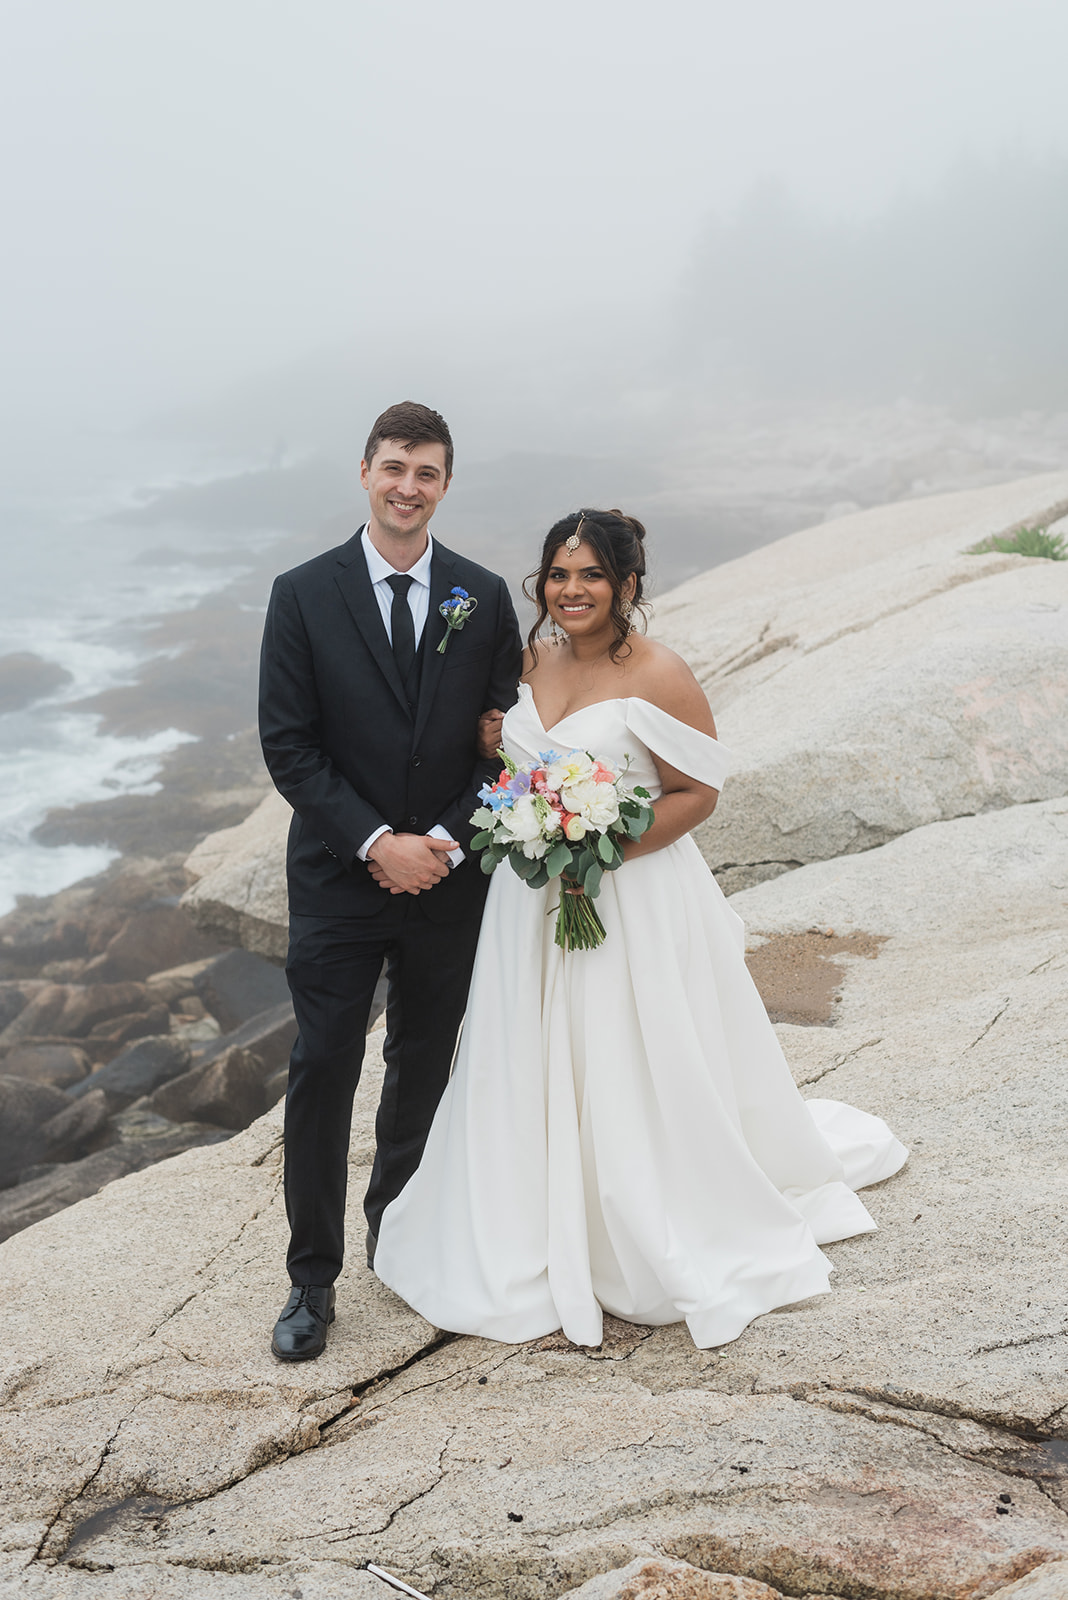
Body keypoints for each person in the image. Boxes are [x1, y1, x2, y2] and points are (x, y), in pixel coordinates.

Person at [374, 508, 907, 1349]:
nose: (571, 591)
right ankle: (530, 1216)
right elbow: (505, 759)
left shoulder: (660, 672)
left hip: (627, 895)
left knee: (627, 1047)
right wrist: (515, 780)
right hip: (531, 902)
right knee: (528, 1050)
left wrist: (599, 845)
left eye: (590, 576)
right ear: (540, 583)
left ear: (627, 585)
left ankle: (639, 1212)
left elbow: (698, 793)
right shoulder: (528, 661)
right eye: (558, 574)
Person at [259, 401, 522, 1361]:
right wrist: (376, 841)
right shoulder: (300, 593)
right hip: (338, 878)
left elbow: (503, 745)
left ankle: (400, 1244)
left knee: (423, 1059)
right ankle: (310, 1279)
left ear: (446, 485)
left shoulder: (483, 596)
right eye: (395, 467)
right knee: (324, 1064)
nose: (409, 487)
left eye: (428, 473)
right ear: (364, 471)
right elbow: (288, 746)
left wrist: (444, 842)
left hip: (450, 880)